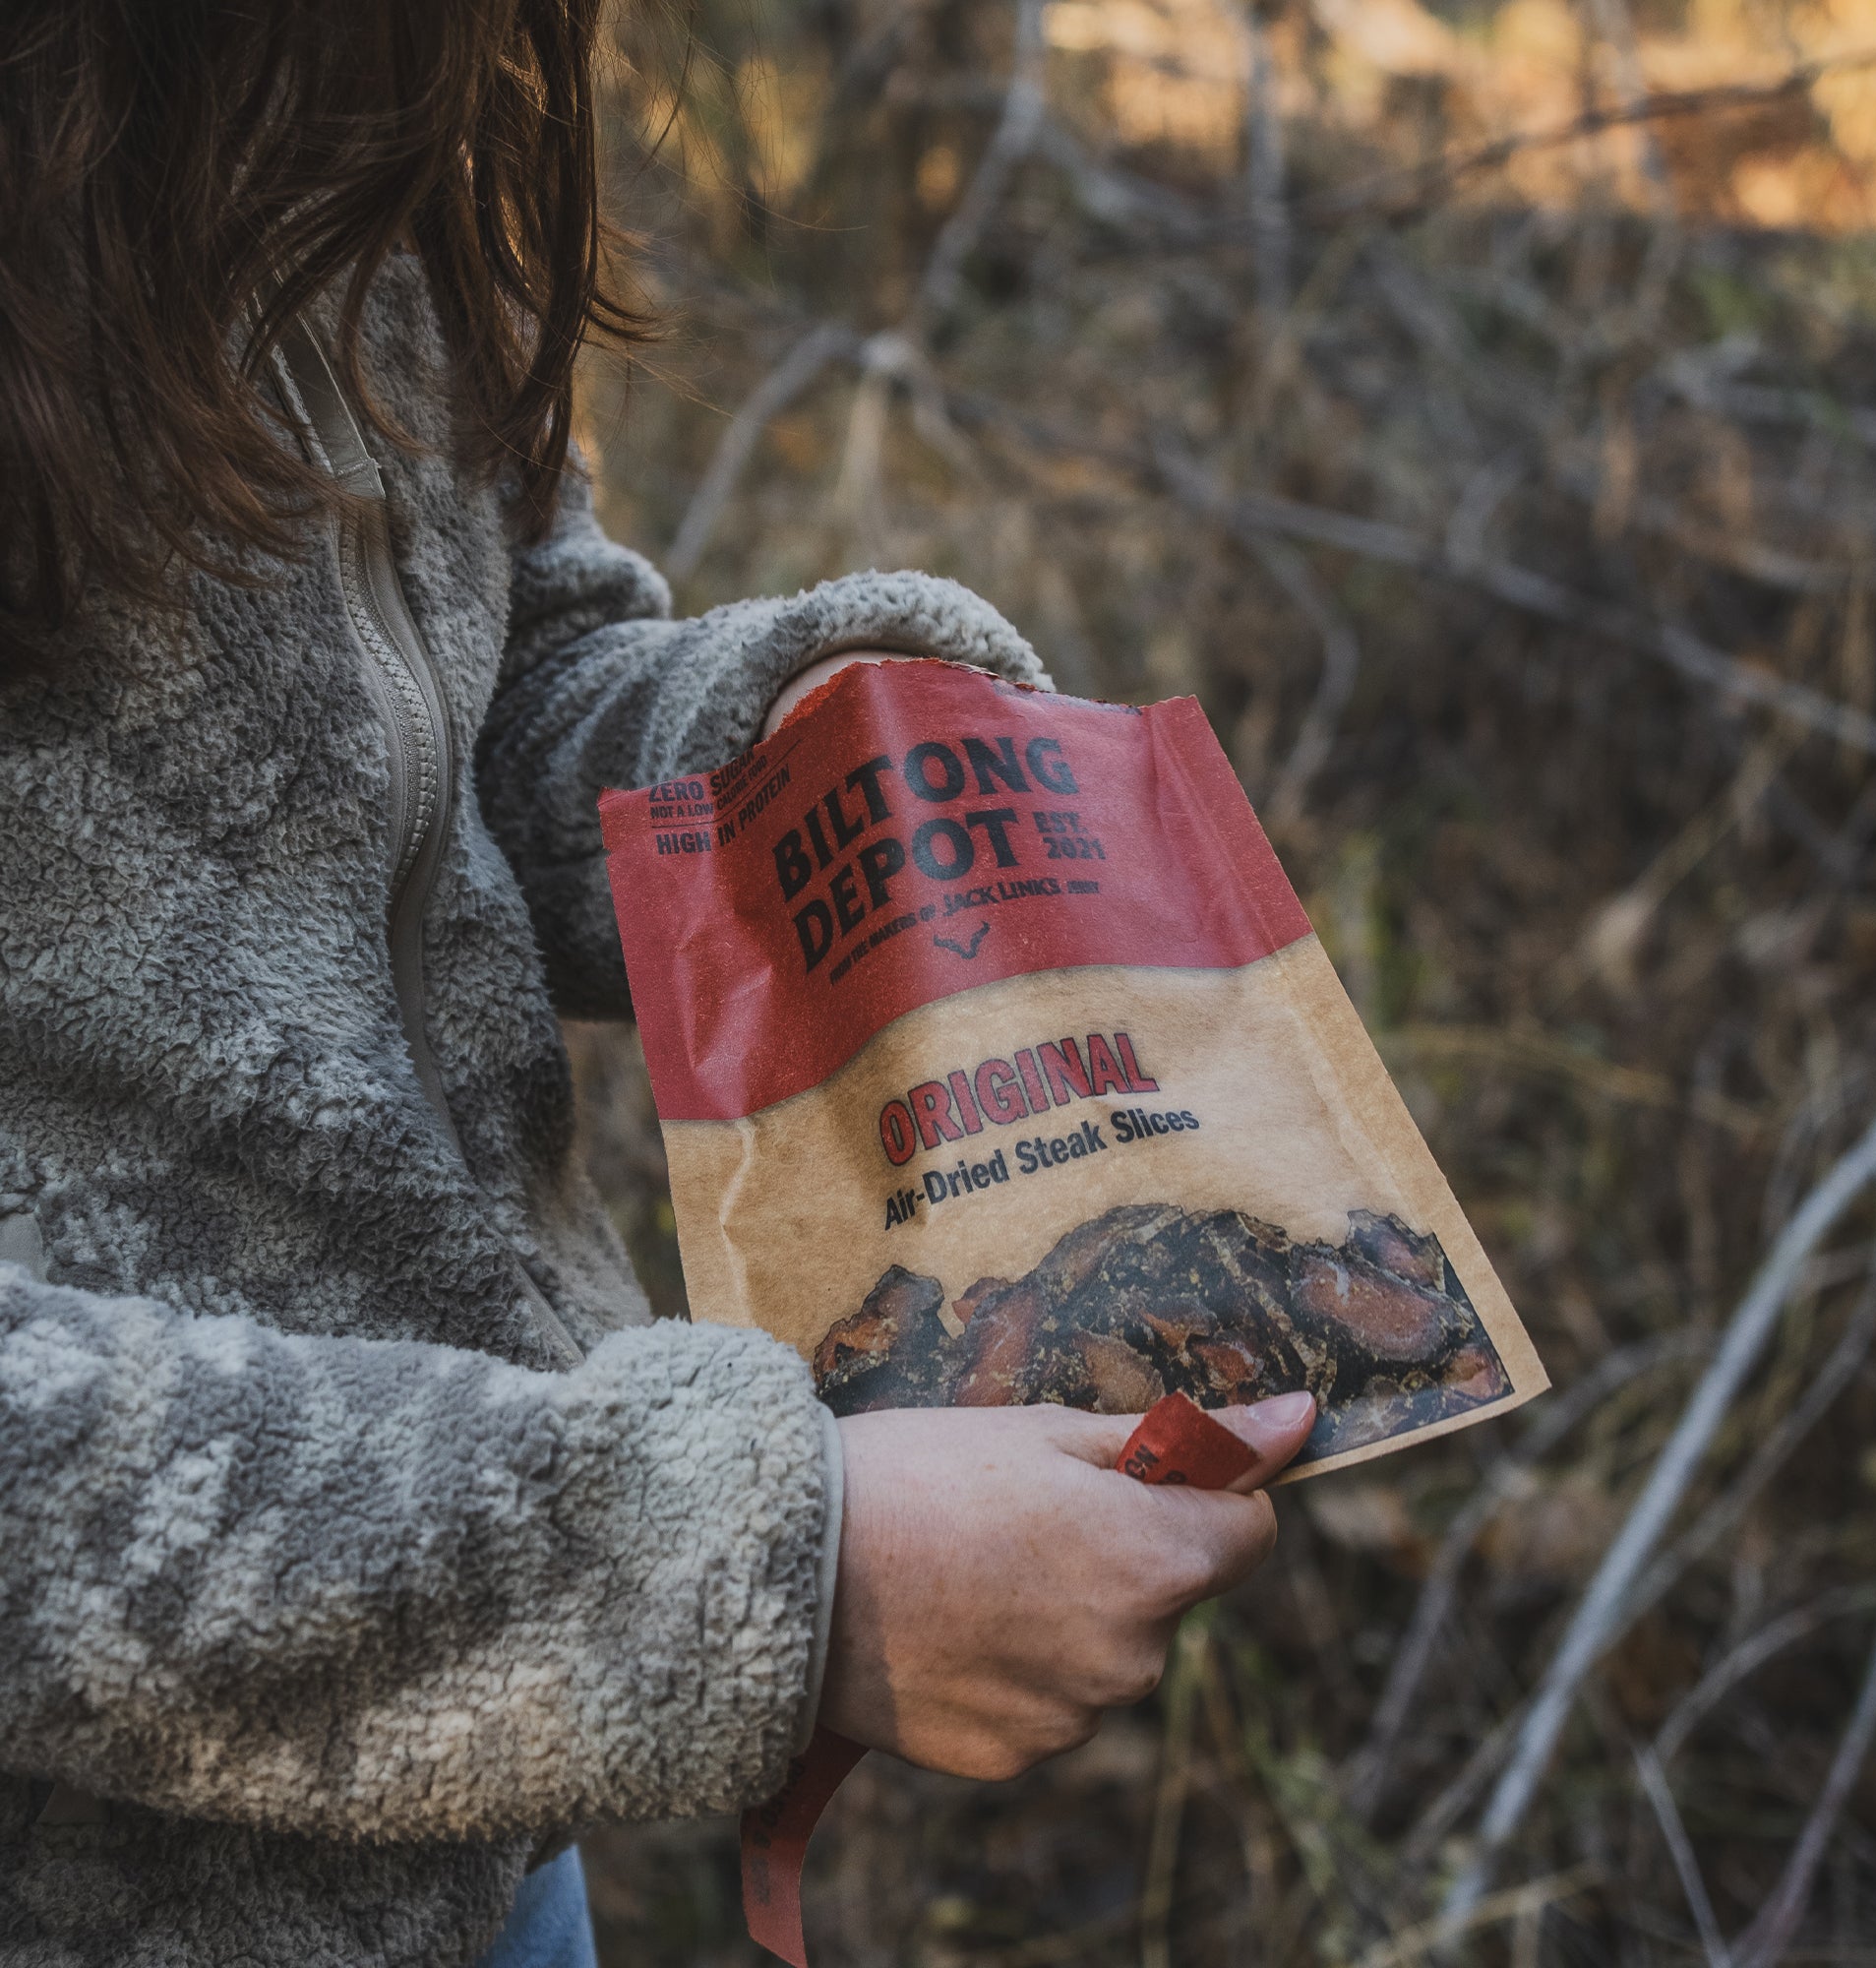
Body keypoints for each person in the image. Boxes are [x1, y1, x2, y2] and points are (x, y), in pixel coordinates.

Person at [0, 5, 1318, 1964]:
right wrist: (747, 1571)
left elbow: (473, 676)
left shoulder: (333, 94)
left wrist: (802, 759)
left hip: (479, 1828)